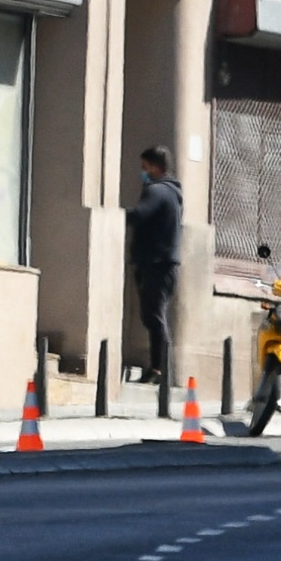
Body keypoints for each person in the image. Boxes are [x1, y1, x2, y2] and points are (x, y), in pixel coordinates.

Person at [123, 146, 183, 396]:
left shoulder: (157, 191)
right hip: (161, 264)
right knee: (152, 316)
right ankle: (157, 367)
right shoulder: (173, 192)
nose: (142, 173)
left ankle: (159, 369)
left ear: (155, 167)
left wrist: (119, 217)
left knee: (155, 316)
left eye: (145, 168)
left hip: (157, 265)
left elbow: (140, 215)